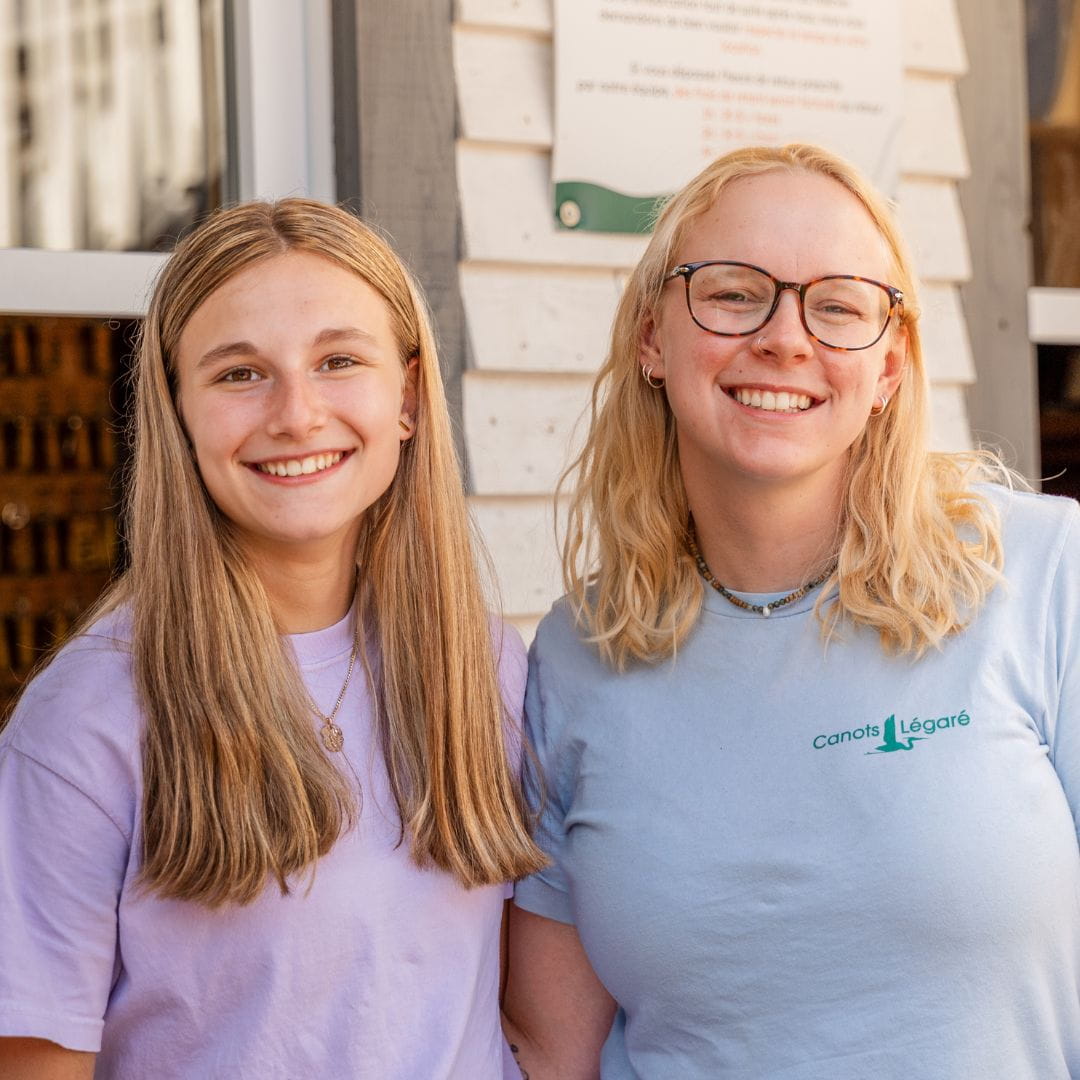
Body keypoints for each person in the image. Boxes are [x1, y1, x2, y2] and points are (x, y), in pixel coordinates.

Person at [501, 143, 1080, 1079]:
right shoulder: (582, 650)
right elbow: (548, 1050)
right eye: (734, 293)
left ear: (890, 366)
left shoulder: (1045, 576)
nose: (785, 337)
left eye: (839, 305)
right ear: (653, 338)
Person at [0, 198, 545, 1079]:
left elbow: (521, 1018)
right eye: (239, 373)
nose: (297, 414)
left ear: (408, 397)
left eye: (338, 361)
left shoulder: (482, 668)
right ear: (177, 413)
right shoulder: (92, 716)